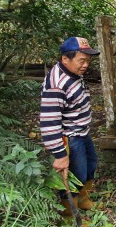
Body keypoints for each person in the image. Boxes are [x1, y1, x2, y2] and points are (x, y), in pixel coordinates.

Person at [39, 36, 100, 216]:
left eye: (88, 61)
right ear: (66, 58)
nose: (85, 65)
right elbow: (49, 122)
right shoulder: (56, 85)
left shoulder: (73, 74)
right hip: (70, 137)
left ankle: (84, 201)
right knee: (74, 176)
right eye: (81, 61)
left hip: (81, 132)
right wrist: (59, 154)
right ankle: (70, 216)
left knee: (90, 165)